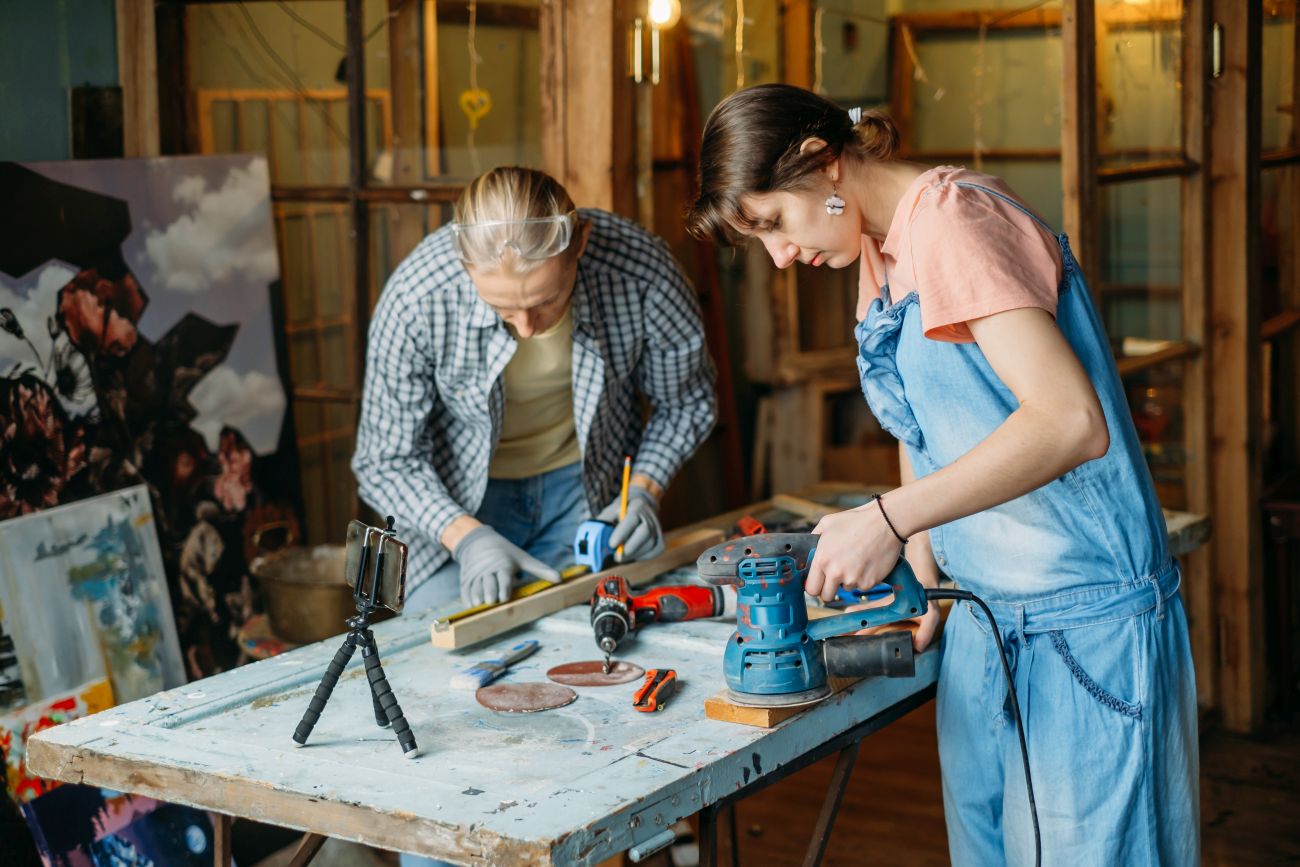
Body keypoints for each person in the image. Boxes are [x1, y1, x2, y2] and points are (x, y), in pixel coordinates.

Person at [685, 83, 1198, 865]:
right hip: (987, 621)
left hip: (1085, 625)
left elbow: (1069, 419)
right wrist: (920, 572)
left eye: (774, 224)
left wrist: (888, 518)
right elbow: (918, 424)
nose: (781, 256)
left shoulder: (959, 220)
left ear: (823, 165)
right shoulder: (881, 251)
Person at [354, 166, 716, 621]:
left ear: (580, 242)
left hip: (582, 493)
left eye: (547, 300)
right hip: (450, 508)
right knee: (444, 645)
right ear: (464, 264)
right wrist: (466, 537)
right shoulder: (417, 298)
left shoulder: (640, 271)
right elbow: (383, 460)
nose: (526, 327)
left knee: (584, 640)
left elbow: (686, 401)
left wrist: (644, 489)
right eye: (502, 308)